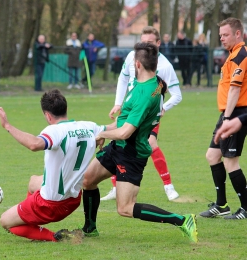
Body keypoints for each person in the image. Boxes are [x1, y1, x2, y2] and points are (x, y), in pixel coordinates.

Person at [77, 42, 198, 243]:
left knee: (125, 208)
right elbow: (122, 121)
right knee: (88, 180)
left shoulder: (145, 93)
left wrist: (102, 133)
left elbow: (125, 132)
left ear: (138, 64)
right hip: (119, 147)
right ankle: (89, 229)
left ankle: (182, 220)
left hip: (131, 153)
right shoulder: (149, 84)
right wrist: (103, 130)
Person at [0, 89, 114, 242]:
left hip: (50, 205)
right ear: (66, 109)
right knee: (33, 181)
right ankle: (29, 215)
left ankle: (56, 237)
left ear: (48, 115)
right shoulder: (88, 126)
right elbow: (115, 126)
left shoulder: (55, 131)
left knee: (5, 222)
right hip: (74, 199)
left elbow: (34, 144)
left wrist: (7, 125)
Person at [101, 26, 182, 201]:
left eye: (150, 43)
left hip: (149, 114)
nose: (146, 46)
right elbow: (123, 79)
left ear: (158, 43)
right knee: (119, 142)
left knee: (151, 144)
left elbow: (177, 95)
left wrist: (163, 107)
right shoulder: (132, 56)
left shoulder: (165, 66)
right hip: (131, 109)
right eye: (143, 42)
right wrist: (118, 103)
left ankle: (168, 186)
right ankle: (116, 188)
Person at [200, 17, 247, 220]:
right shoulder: (231, 55)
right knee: (212, 156)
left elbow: (235, 90)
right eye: (220, 35)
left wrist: (227, 118)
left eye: (225, 34)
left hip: (236, 114)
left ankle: (246, 207)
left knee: (231, 162)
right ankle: (222, 205)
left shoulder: (241, 55)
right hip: (227, 114)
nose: (222, 38)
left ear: (238, 34)